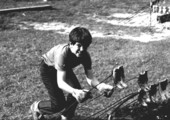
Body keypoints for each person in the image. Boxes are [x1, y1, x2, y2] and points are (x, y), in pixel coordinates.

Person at [30, 27, 114, 120]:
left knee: (77, 90)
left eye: (85, 46)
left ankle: (66, 116)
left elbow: (90, 77)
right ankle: (37, 107)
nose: (82, 49)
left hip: (64, 67)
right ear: (71, 44)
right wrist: (75, 92)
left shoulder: (85, 55)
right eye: (79, 45)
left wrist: (100, 86)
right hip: (48, 69)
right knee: (58, 104)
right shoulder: (62, 54)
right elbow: (61, 83)